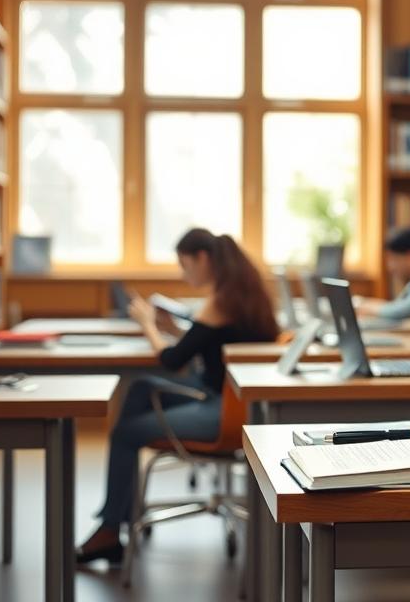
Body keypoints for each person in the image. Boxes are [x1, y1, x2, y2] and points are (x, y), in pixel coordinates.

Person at [76, 229, 281, 565]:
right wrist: (173, 331)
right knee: (141, 388)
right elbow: (206, 344)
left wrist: (148, 325)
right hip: (230, 400)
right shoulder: (240, 295)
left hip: (224, 414)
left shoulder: (219, 302)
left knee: (125, 433)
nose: (184, 275)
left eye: (185, 266)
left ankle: (112, 528)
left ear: (203, 259)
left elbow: (173, 360)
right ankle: (117, 520)